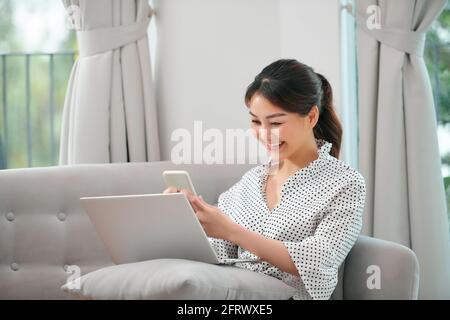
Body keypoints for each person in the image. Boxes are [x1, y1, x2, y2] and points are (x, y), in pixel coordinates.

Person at [164, 59, 366, 300]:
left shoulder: (345, 183)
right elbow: (217, 254)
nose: (263, 133)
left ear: (311, 117)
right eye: (255, 121)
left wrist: (232, 231)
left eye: (276, 123)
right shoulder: (251, 182)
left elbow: (319, 260)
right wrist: (186, 219)